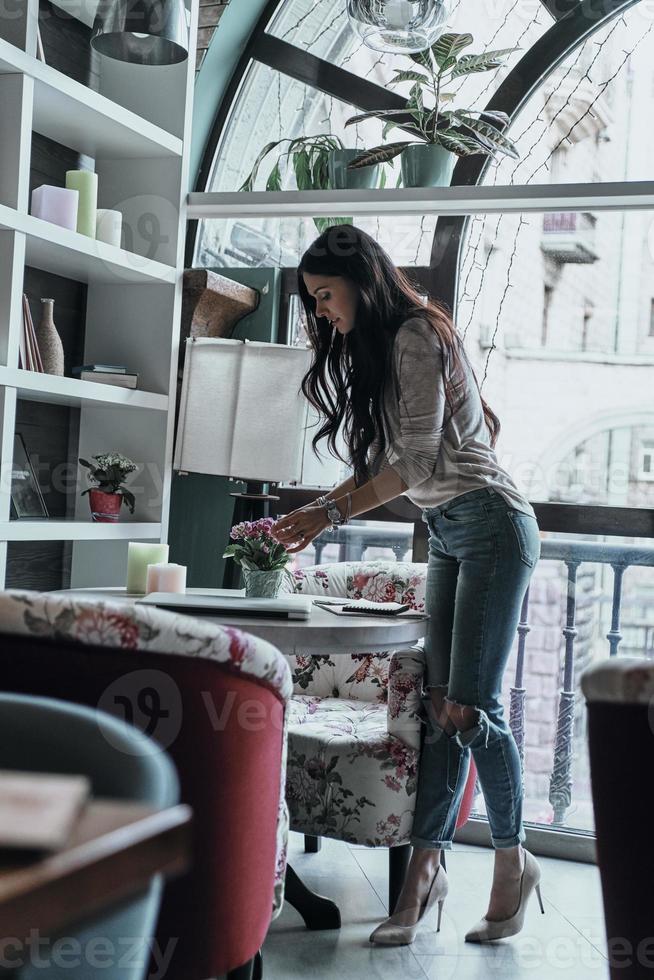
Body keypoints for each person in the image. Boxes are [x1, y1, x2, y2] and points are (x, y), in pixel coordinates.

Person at [271, 224, 544, 947]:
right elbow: (401, 462)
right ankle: (425, 872)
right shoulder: (389, 348)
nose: (323, 312)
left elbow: (417, 465)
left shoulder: (417, 335)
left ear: (362, 281)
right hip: (455, 531)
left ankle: (515, 862)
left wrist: (328, 513)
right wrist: (314, 510)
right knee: (440, 706)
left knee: (470, 708)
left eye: (326, 296)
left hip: (490, 524)